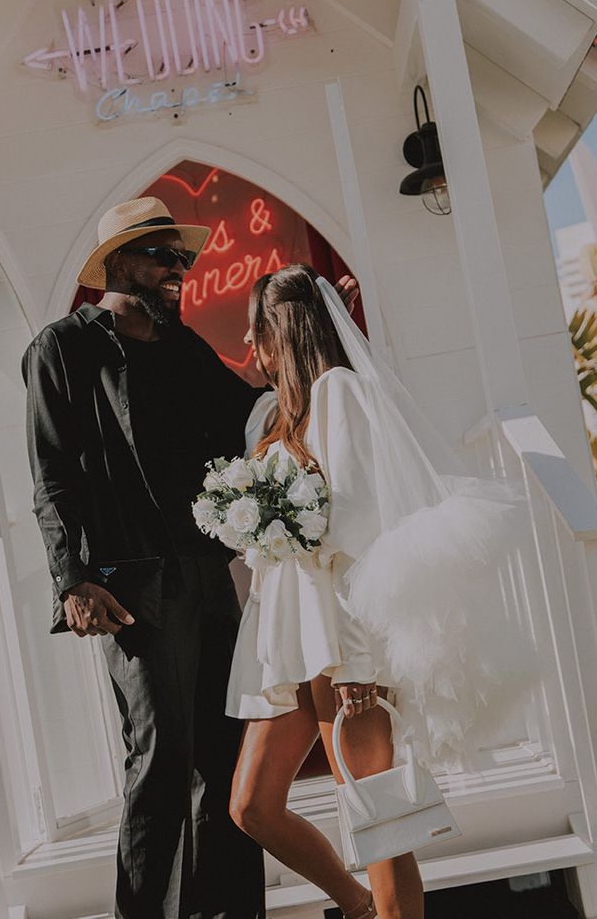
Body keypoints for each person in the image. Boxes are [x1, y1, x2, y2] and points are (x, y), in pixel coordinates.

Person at [21, 197, 359, 919]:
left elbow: (253, 415)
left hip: (209, 581)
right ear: (118, 263)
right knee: (161, 761)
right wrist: (71, 580)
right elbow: (51, 475)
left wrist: (332, 390)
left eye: (185, 259)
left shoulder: (182, 345)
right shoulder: (62, 348)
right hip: (133, 589)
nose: (180, 271)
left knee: (224, 759)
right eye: (164, 258)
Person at [225, 264, 532, 919]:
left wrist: (359, 670)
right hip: (293, 642)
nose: (251, 349)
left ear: (280, 332)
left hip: (345, 649)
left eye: (255, 333)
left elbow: (366, 538)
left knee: (383, 825)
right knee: (252, 805)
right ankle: (361, 907)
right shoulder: (277, 415)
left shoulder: (340, 395)